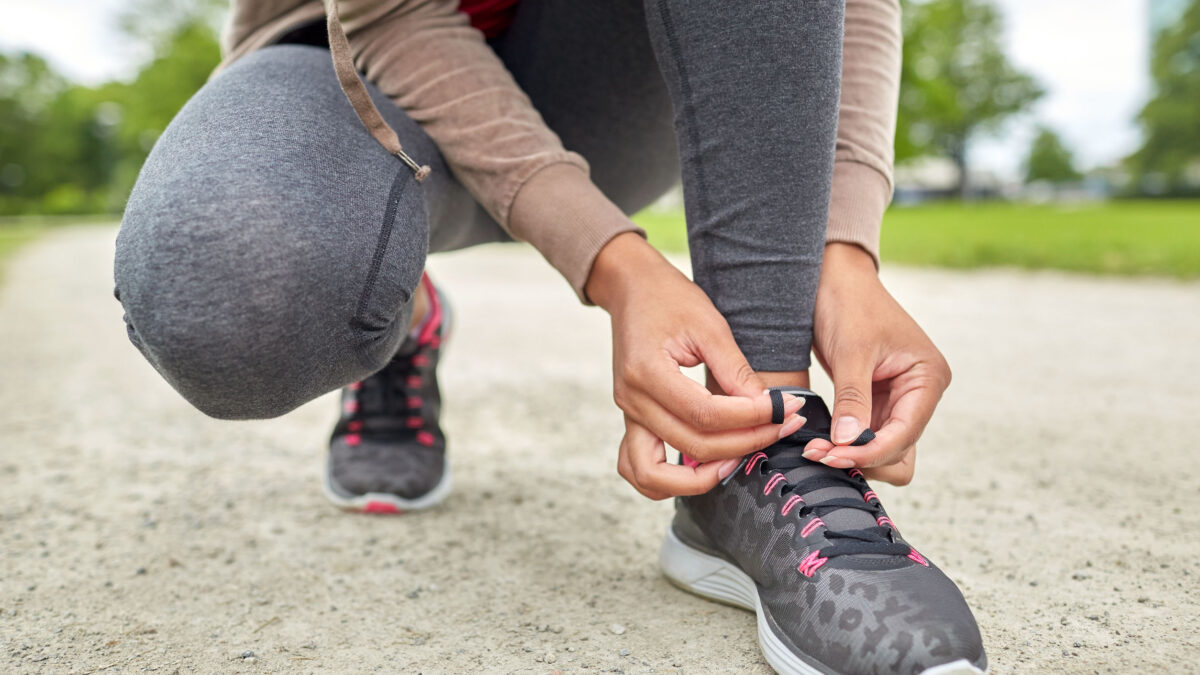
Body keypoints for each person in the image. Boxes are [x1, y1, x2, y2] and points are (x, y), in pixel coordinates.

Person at [113, 0, 987, 672]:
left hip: (619, 77)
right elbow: (394, 12)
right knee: (227, 286)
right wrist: (614, 264)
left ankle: (753, 441)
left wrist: (840, 245)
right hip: (353, 62)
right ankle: (401, 316)